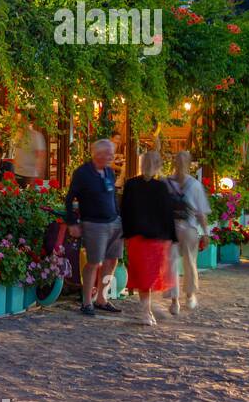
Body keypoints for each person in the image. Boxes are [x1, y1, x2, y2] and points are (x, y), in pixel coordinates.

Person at [64, 138, 123, 316]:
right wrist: (72, 222)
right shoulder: (83, 173)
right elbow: (70, 199)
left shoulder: (109, 172)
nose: (112, 156)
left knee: (112, 260)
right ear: (98, 154)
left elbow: (113, 196)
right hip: (94, 223)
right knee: (94, 262)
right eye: (109, 153)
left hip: (113, 222)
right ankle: (87, 301)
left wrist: (119, 217)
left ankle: (102, 299)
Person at [120, 150, 178, 326]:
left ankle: (146, 310)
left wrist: (125, 234)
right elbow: (168, 214)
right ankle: (146, 311)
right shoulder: (161, 187)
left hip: (139, 237)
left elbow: (125, 211)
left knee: (144, 276)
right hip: (153, 238)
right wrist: (172, 237)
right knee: (148, 276)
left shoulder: (131, 184)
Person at [165, 150, 211, 312]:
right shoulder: (193, 184)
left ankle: (180, 298)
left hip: (178, 227)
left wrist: (206, 232)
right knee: (183, 262)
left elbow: (200, 212)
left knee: (178, 263)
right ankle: (183, 297)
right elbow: (201, 212)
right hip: (183, 227)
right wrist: (206, 232)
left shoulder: (167, 183)